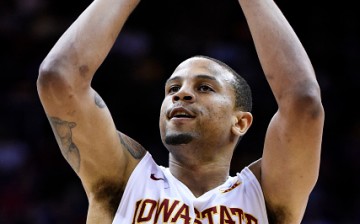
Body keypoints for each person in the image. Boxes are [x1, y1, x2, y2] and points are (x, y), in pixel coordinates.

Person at [36, 0, 325, 223]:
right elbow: (59, 80)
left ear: (240, 122)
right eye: (172, 88)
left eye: (205, 88)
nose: (181, 94)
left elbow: (303, 103)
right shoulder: (124, 180)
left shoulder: (264, 196)